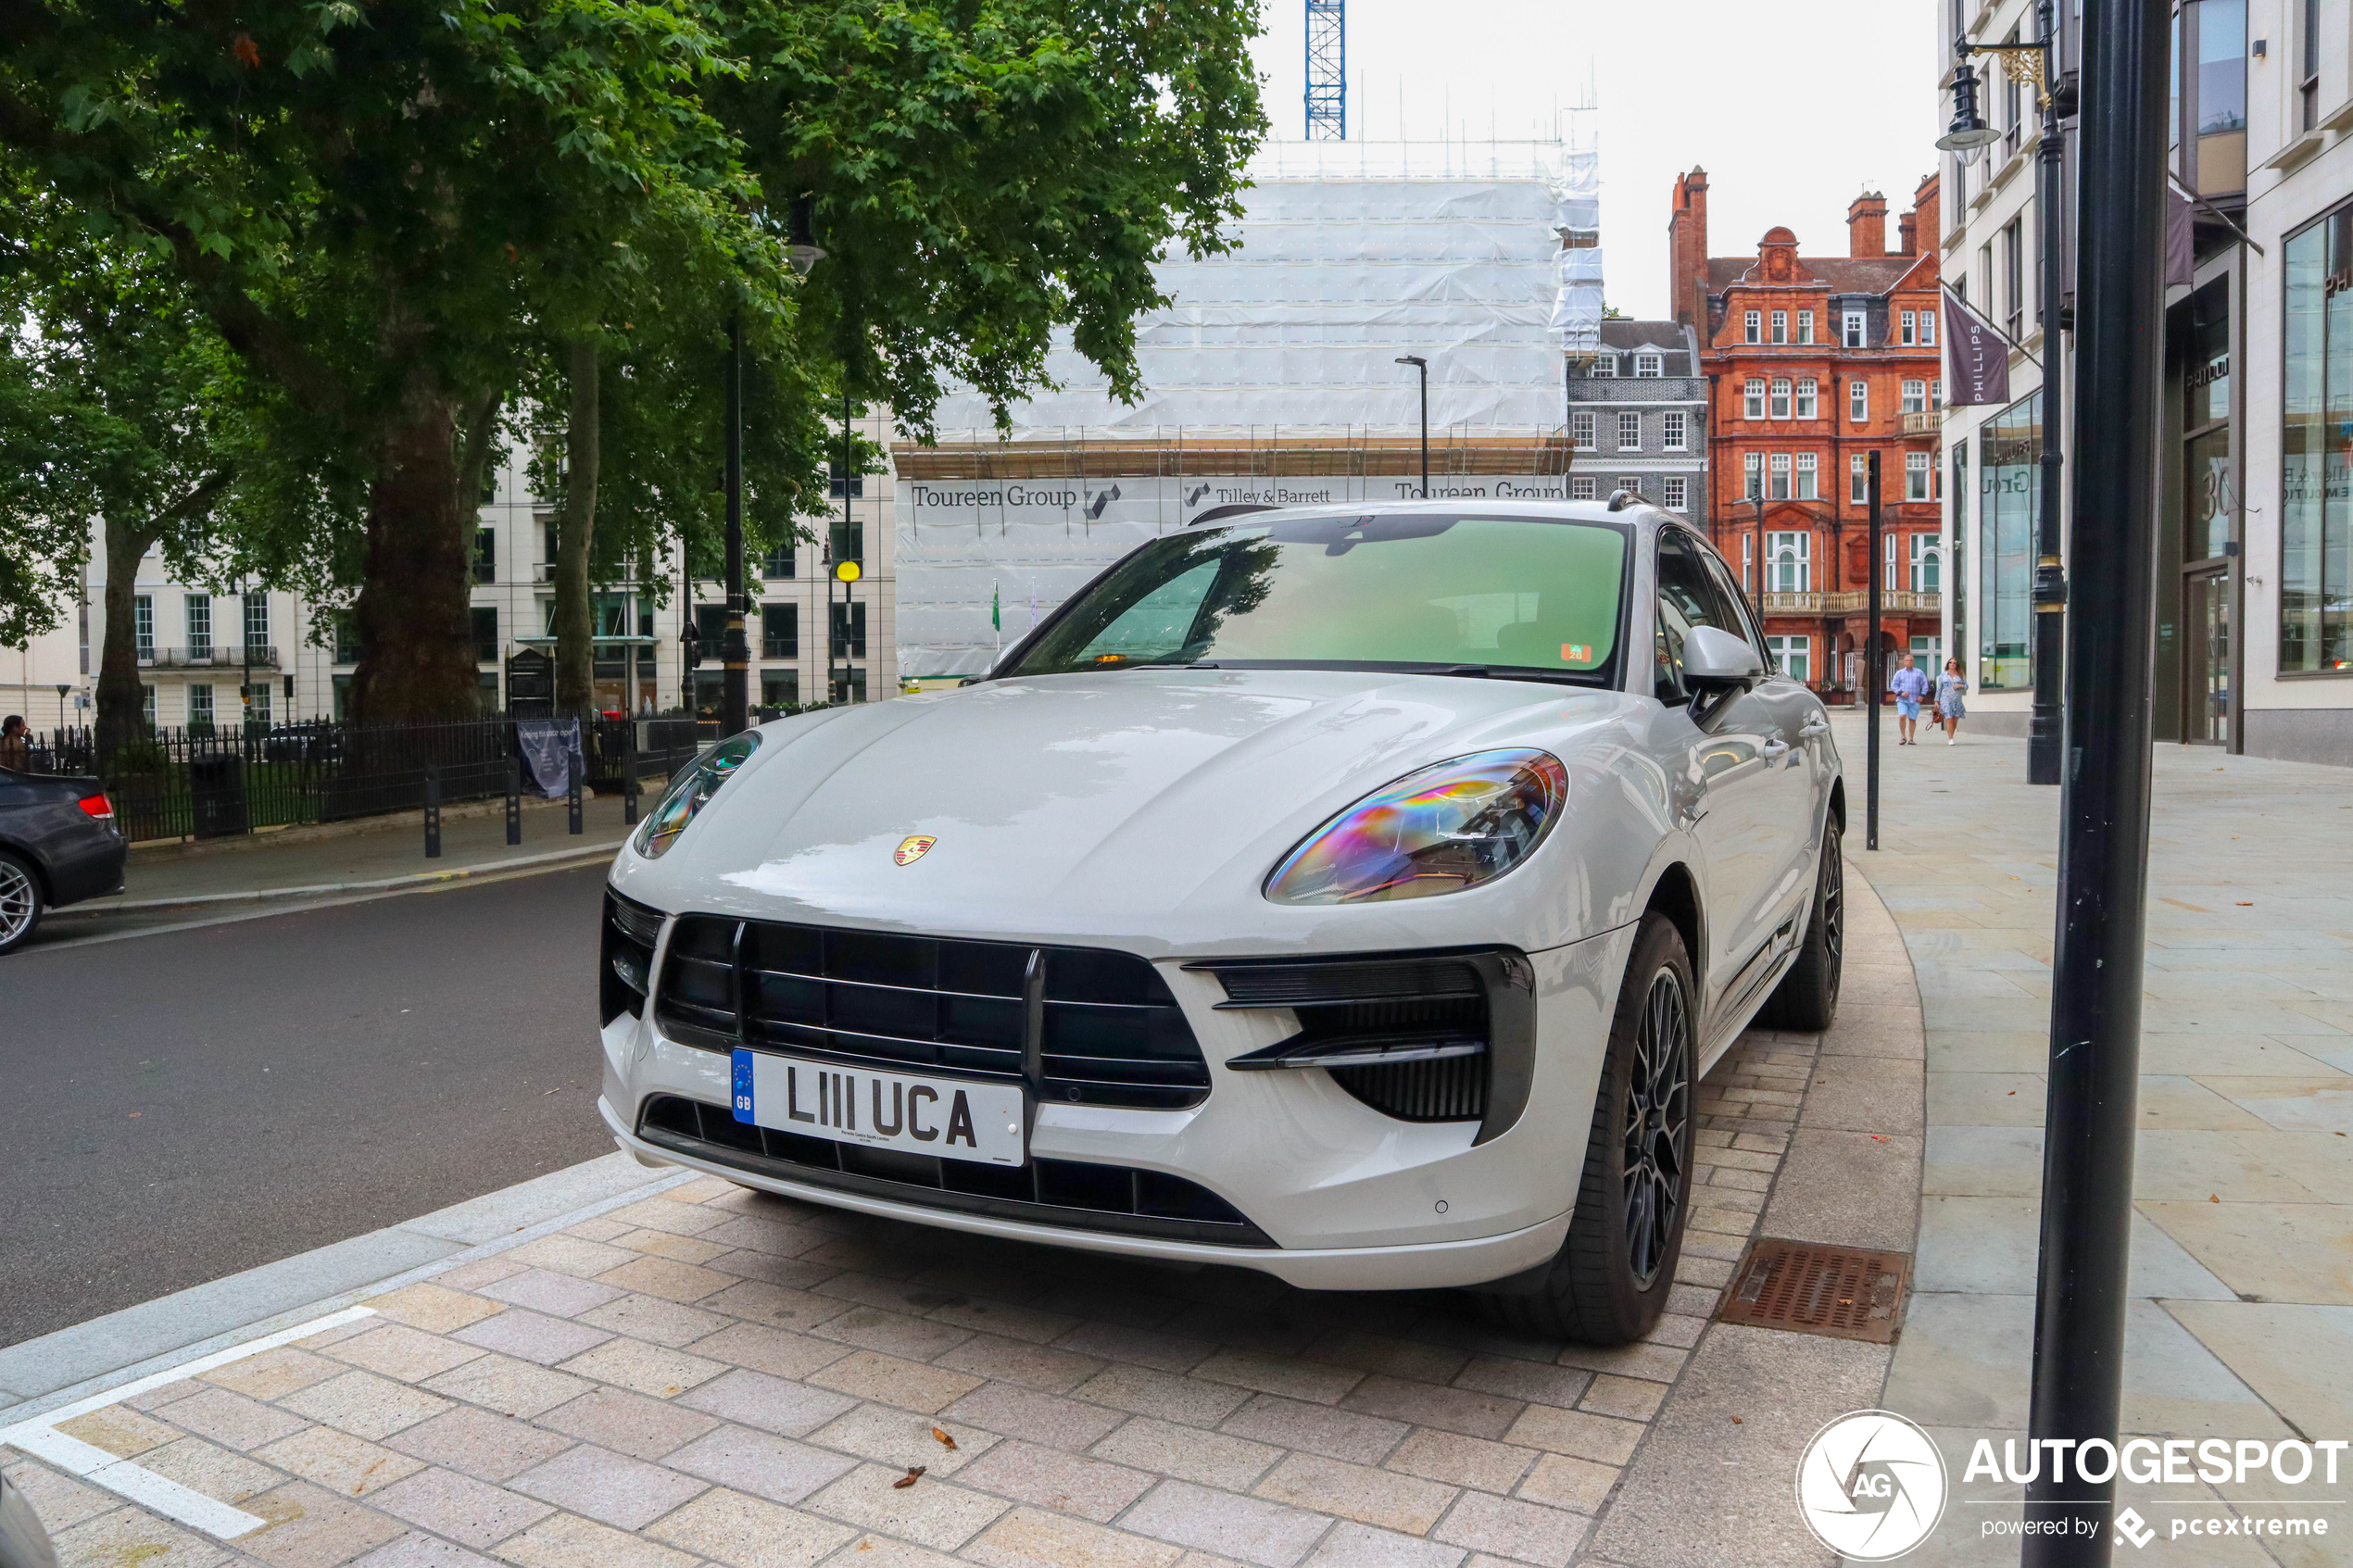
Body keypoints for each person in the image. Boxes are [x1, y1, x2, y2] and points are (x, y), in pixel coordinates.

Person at [1888, 653, 1931, 746]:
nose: (1909, 662)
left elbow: (1925, 685)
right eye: (1908, 660)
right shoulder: (1899, 673)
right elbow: (1894, 685)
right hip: (1902, 700)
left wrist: (1922, 695)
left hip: (1914, 700)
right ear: (1904, 662)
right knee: (1902, 716)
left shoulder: (1919, 672)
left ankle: (1911, 738)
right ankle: (1903, 736)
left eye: (1911, 660)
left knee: (1912, 719)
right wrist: (1901, 692)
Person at [1935, 657, 1968, 745]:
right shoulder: (1943, 676)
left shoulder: (1960, 675)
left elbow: (1966, 686)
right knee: (1949, 718)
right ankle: (1950, 738)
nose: (1952, 664)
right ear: (1948, 664)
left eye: (1954, 663)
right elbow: (1939, 689)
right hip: (1945, 698)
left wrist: (1960, 686)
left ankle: (1951, 735)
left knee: (1954, 719)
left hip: (1956, 699)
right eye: (1950, 662)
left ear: (1956, 665)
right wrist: (1936, 700)